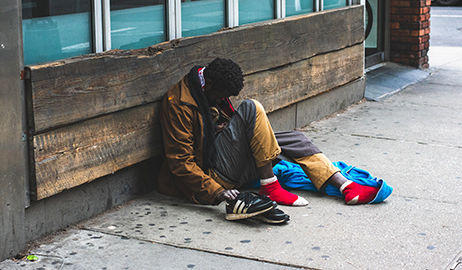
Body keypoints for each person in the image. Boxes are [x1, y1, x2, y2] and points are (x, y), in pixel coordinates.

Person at [157, 58, 380, 223]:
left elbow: (206, 128)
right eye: (219, 96)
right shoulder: (178, 104)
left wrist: (219, 127)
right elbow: (181, 162)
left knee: (294, 138)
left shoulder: (206, 87)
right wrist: (218, 192)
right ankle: (270, 185)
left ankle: (345, 186)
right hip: (210, 177)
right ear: (210, 84)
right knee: (251, 107)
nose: (220, 101)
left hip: (222, 158)